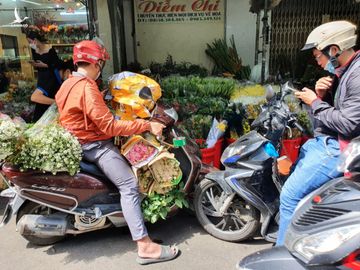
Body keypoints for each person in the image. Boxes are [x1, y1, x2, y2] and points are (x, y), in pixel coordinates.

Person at [55, 40, 180, 265]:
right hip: (95, 146)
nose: (101, 66)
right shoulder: (86, 87)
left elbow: (83, 112)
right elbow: (109, 127)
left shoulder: (69, 83)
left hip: (81, 141)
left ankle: (127, 221)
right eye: (101, 62)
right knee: (129, 185)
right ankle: (145, 246)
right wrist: (146, 125)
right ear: (96, 62)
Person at [276, 20, 360, 246]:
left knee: (289, 197)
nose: (318, 61)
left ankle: (283, 254)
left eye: (318, 55)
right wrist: (323, 95)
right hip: (329, 142)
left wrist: (315, 102)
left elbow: (349, 124)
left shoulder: (357, 75)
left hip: (340, 150)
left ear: (334, 50)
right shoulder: (346, 72)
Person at [25, 29, 64, 121]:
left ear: (35, 40)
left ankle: (56, 107)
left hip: (51, 76)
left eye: (30, 42)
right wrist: (36, 65)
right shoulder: (34, 51)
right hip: (42, 76)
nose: (30, 44)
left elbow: (57, 64)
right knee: (40, 100)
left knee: (48, 95)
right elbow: (38, 66)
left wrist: (45, 65)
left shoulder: (50, 49)